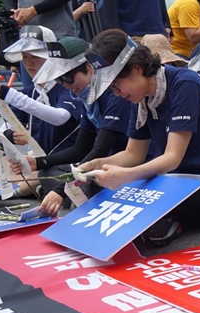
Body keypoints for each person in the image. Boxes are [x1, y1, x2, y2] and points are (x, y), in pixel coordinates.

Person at [78, 30, 200, 246]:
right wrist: (97, 164)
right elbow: (133, 154)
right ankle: (161, 221)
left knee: (155, 195)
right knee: (97, 185)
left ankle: (169, 220)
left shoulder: (184, 84)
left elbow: (172, 157)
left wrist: (126, 176)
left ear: (137, 69)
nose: (115, 93)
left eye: (115, 85)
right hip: (174, 180)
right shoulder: (140, 97)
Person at [19, 36, 133, 216]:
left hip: (121, 165)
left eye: (67, 77)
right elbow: (80, 148)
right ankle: (71, 197)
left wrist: (60, 188)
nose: (65, 85)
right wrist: (38, 162)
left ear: (89, 67)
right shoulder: (89, 98)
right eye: (59, 80)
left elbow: (100, 150)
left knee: (79, 202)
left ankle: (68, 198)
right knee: (47, 172)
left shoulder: (113, 94)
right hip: (100, 166)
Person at [0, 25, 83, 188]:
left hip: (68, 163)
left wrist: (11, 96)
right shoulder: (30, 92)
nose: (29, 63)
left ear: (51, 57)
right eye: (24, 57)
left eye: (35, 56)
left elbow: (60, 117)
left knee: (40, 176)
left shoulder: (67, 86)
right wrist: (9, 135)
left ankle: (29, 189)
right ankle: (28, 188)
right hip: (41, 162)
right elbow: (3, 129)